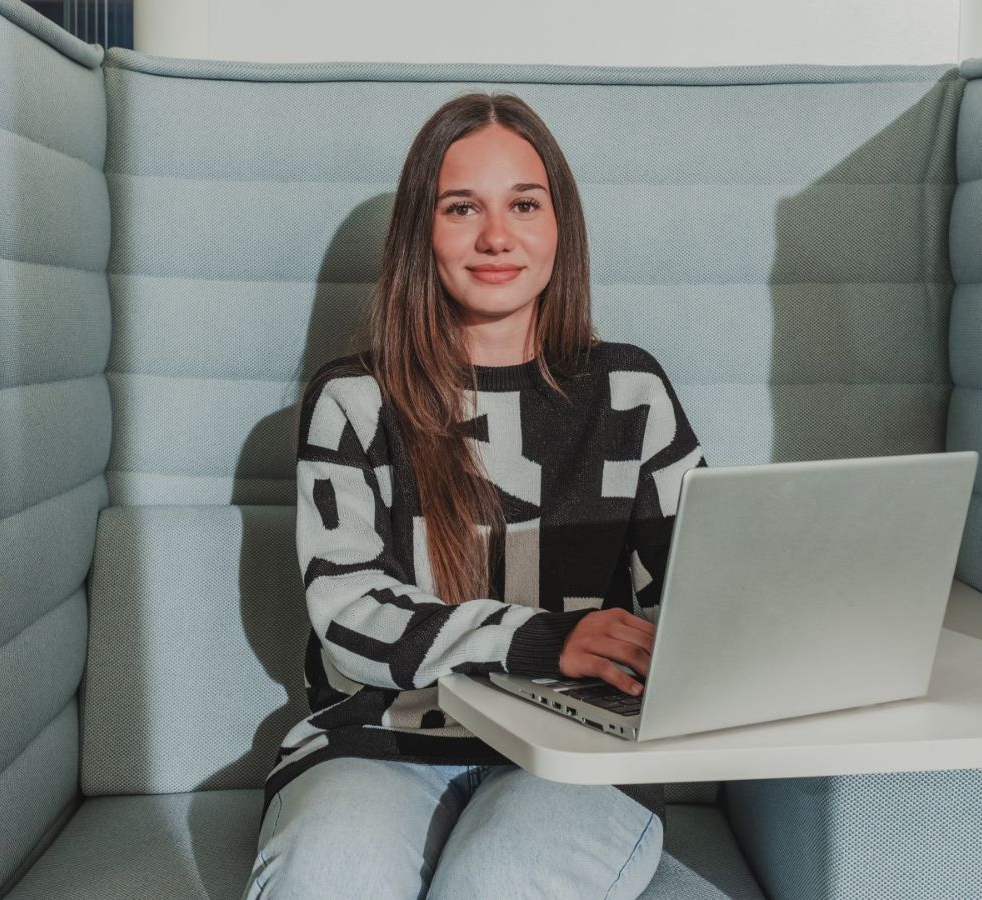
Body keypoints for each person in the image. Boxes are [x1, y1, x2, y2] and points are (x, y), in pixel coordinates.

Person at [242, 91, 707, 900]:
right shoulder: (354, 401)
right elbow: (350, 614)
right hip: (381, 738)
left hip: (575, 751)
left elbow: (702, 593)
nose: (497, 236)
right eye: (463, 208)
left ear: (560, 225)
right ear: (424, 231)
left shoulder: (628, 391)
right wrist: (542, 640)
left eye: (524, 204)